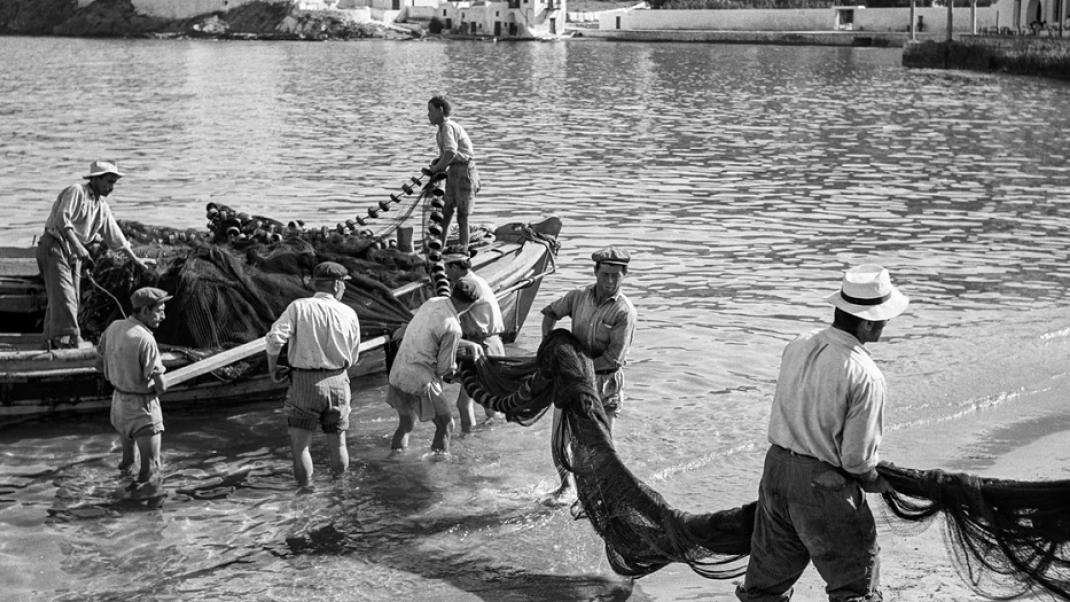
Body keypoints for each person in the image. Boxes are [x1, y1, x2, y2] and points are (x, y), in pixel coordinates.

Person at [735, 265, 908, 602]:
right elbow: (856, 460)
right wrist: (877, 479)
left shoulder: (798, 343)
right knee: (854, 583)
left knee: (766, 584)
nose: (887, 324)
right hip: (822, 486)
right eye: (884, 318)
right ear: (866, 322)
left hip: (776, 473)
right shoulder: (865, 374)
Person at [540, 246, 637, 503]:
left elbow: (613, 357)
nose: (609, 281)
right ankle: (565, 487)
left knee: (600, 445)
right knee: (560, 439)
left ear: (624, 275)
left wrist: (580, 371)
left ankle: (601, 493)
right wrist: (547, 344)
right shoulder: (578, 297)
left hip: (605, 382)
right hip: (572, 381)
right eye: (605, 274)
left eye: (616, 275)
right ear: (595, 272)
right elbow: (550, 313)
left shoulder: (624, 312)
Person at [265, 261, 361, 493]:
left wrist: (272, 368)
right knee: (338, 443)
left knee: (301, 447)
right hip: (339, 381)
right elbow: (355, 356)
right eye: (344, 285)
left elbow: (274, 339)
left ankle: (306, 496)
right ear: (337, 284)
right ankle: (340, 493)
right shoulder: (349, 312)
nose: (345, 289)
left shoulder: (299, 307)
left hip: (305, 382)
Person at [37, 161, 154, 350]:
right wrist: (78, 246)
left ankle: (49, 340)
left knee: (70, 296)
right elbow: (62, 219)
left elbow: (116, 237)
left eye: (114, 183)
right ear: (95, 179)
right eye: (109, 182)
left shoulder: (101, 206)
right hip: (54, 247)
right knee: (65, 297)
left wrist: (136, 259)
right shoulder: (77, 192)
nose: (112, 187)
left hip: (73, 254)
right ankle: (73, 340)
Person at [386, 278, 484, 455]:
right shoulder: (453, 327)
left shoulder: (432, 302)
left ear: (453, 291)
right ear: (471, 304)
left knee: (406, 425)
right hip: (420, 380)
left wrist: (468, 345)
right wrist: (463, 376)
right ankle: (438, 470)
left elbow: (432, 335)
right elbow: (443, 369)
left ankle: (394, 460)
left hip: (398, 373)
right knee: (446, 425)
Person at [97, 287, 171, 498]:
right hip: (143, 409)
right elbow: (161, 386)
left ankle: (120, 495)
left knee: (128, 461)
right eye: (160, 311)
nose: (163, 316)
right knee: (151, 468)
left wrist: (122, 375)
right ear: (145, 311)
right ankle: (146, 517)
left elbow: (97, 363)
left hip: (119, 403)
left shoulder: (114, 327)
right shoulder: (146, 340)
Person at [443, 247, 505, 432]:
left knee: (464, 403)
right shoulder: (478, 280)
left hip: (482, 346)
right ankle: (492, 438)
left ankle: (467, 440)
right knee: (489, 403)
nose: (445, 273)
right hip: (491, 344)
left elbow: (449, 314)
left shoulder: (465, 285)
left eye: (446, 268)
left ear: (455, 267)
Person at [427, 95, 480, 253]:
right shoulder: (442, 129)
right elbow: (447, 155)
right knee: (446, 212)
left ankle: (463, 252)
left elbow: (450, 153)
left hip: (464, 172)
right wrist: (438, 162)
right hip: (453, 172)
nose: (428, 114)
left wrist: (435, 170)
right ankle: (439, 250)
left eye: (430, 110)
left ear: (440, 110)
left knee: (462, 216)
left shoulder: (448, 127)